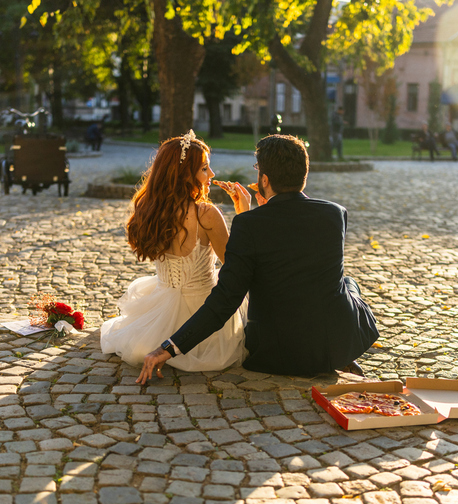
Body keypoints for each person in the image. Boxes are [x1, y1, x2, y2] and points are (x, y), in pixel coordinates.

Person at [135, 134, 380, 383]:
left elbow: (225, 300)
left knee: (336, 282)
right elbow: (294, 247)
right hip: (330, 350)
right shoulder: (335, 214)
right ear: (303, 175)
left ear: (264, 179)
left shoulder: (249, 224)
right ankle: (346, 352)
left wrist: (167, 348)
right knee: (348, 283)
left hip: (273, 354)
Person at [101, 131, 251, 372]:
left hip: (158, 311)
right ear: (184, 175)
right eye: (204, 169)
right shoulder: (206, 215)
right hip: (203, 316)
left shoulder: (151, 211)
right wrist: (245, 216)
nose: (211, 174)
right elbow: (235, 264)